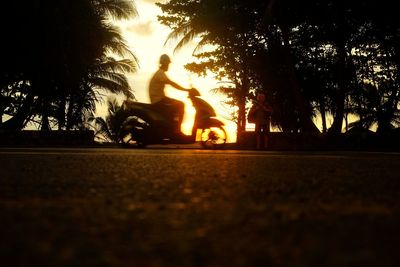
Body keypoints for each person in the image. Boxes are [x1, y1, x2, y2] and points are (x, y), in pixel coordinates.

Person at [148, 54, 191, 135]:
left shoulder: (160, 73)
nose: (168, 65)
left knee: (177, 105)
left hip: (160, 99)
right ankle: (177, 131)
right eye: (168, 64)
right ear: (164, 63)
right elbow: (172, 83)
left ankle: (173, 129)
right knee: (180, 105)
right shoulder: (160, 74)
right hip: (158, 101)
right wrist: (186, 90)